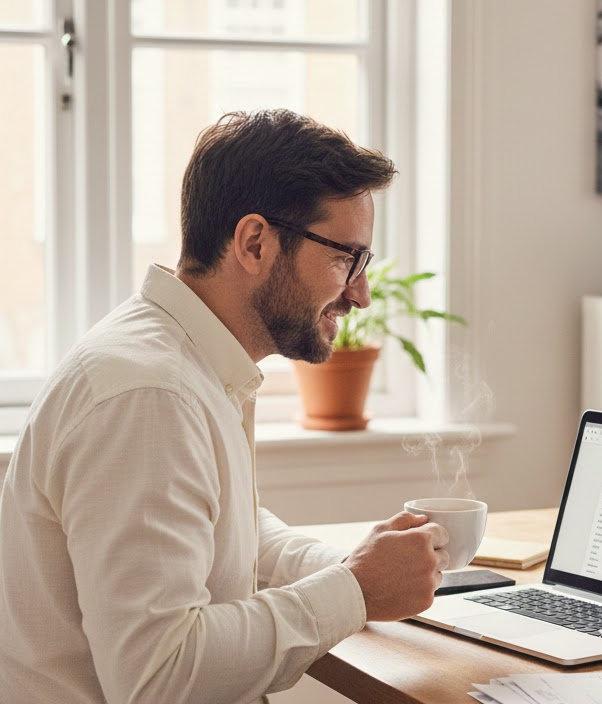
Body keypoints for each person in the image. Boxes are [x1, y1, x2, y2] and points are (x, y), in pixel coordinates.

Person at [0, 109, 450, 703]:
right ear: (255, 242)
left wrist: (354, 565)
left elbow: (223, 536)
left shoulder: (183, 361)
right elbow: (158, 677)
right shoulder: (150, 397)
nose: (361, 293)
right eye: (347, 258)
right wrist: (355, 590)